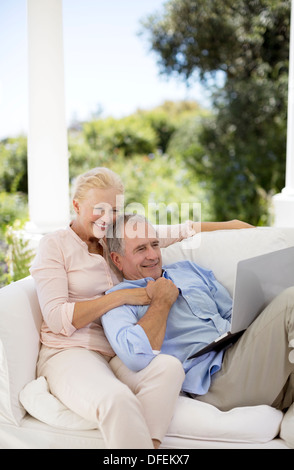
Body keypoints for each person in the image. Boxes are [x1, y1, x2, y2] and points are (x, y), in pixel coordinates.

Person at [30, 166, 253, 449]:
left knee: (170, 368)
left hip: (116, 350)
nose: (107, 218)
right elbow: (56, 316)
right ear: (76, 205)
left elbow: (182, 230)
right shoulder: (55, 245)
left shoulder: (121, 239)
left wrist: (233, 224)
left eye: (114, 210)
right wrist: (119, 298)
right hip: (71, 350)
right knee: (116, 399)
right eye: (99, 209)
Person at [102, 214, 294, 448]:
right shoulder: (117, 301)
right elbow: (135, 356)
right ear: (117, 259)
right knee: (291, 299)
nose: (152, 255)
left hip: (246, 358)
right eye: (141, 249)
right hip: (216, 380)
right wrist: (161, 302)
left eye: (154, 244)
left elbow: (232, 314)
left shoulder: (188, 270)